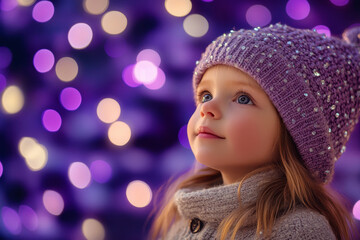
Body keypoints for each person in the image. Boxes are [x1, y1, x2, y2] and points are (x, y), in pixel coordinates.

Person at [148, 22, 360, 239]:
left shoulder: (300, 231)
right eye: (206, 95)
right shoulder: (184, 217)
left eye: (243, 98)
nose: (206, 108)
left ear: (295, 134)